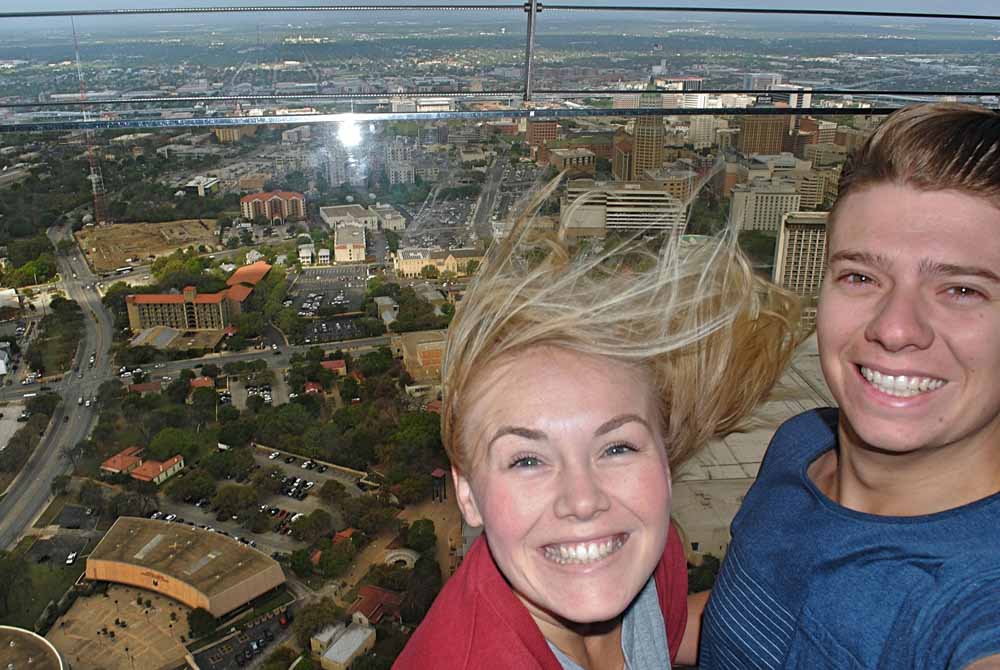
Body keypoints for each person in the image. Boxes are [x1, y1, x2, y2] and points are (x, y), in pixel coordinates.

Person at [394, 177, 800, 669]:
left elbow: (664, 632)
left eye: (617, 448)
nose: (585, 501)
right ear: (467, 495)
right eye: (526, 460)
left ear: (665, 459)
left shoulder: (646, 556)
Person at [696, 103, 1000, 669]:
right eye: (860, 277)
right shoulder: (801, 445)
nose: (894, 328)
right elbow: (755, 619)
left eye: (962, 290)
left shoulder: (973, 602)